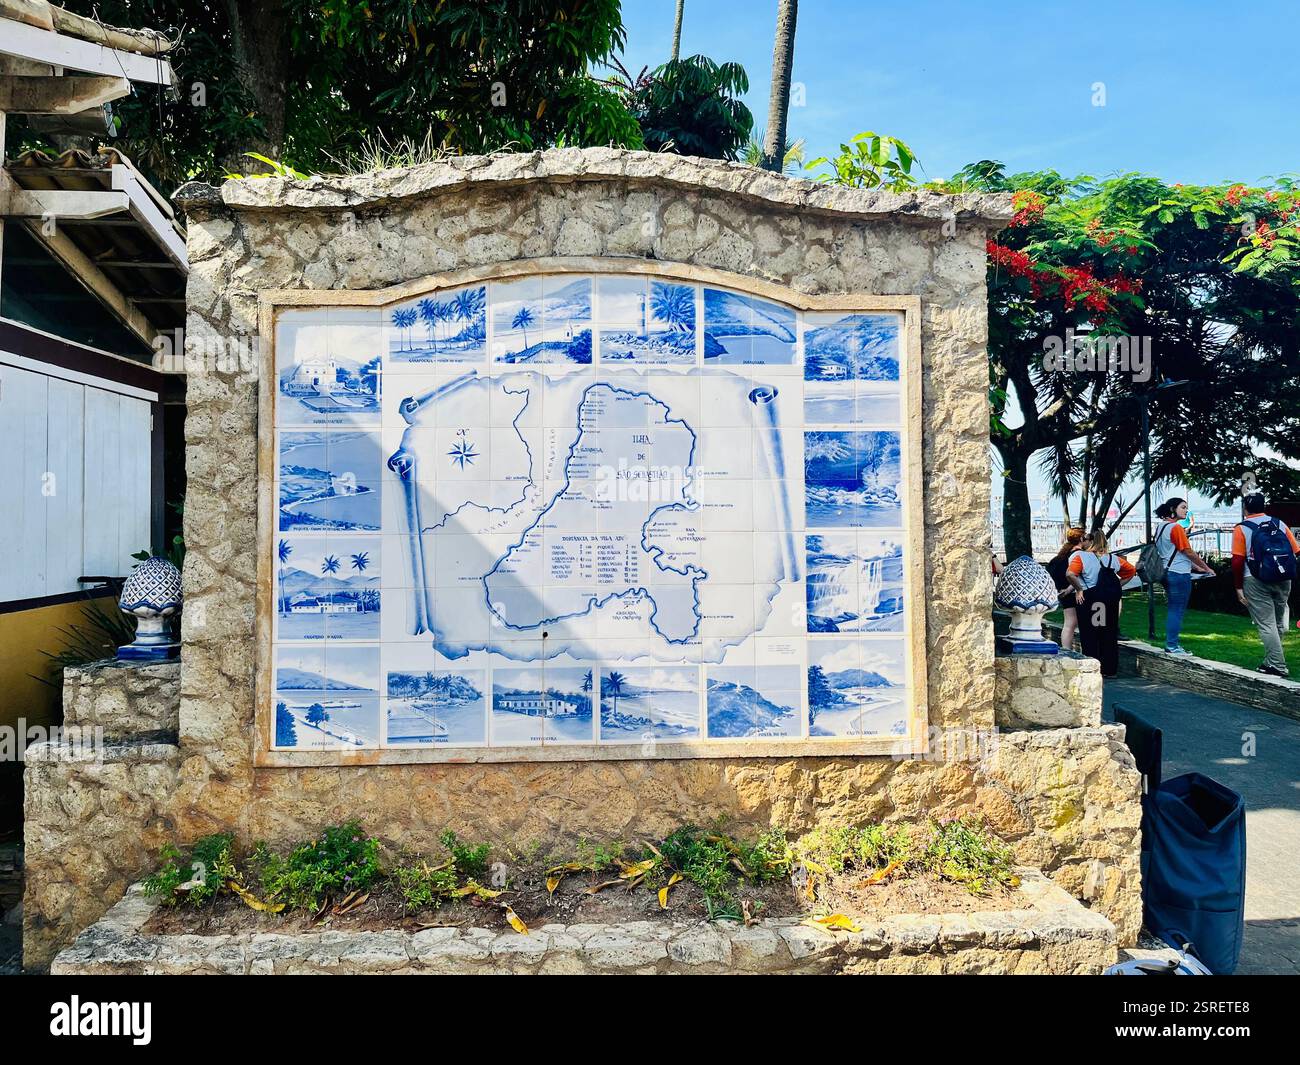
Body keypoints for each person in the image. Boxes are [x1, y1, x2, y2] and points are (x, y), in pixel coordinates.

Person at [1232, 493, 1299, 677]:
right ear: (1264, 506)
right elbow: (1296, 550)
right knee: (1277, 622)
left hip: (1255, 579)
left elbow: (1237, 561)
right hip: (1284, 578)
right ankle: (1270, 661)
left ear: (1245, 508)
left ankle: (1277, 665)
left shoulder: (1242, 528)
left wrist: (1238, 587)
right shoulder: (1279, 523)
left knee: (1266, 624)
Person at [1067, 531, 1136, 677]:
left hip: (1090, 600)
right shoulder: (1114, 559)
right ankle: (1109, 669)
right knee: (1108, 633)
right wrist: (1117, 585)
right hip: (1109, 600)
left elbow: (1070, 574)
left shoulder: (1081, 557)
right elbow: (1131, 571)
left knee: (1090, 633)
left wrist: (1079, 589)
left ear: (1090, 541)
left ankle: (1092, 667)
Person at [1152, 498, 1214, 656]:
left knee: (1174, 609)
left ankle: (1172, 644)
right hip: (1179, 574)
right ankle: (1172, 645)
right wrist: (1206, 567)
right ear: (1173, 509)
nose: (1186, 511)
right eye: (1183, 507)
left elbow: (1173, 552)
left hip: (1166, 572)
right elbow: (1187, 551)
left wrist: (1197, 568)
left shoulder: (1160, 527)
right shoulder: (1176, 528)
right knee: (1176, 610)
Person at [1046, 527, 1088, 651]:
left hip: (1063, 593)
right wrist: (1071, 588)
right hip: (1075, 592)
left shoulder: (1060, 557)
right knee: (1081, 624)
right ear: (1081, 539)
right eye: (1085, 538)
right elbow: (1078, 575)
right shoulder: (1079, 556)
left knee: (1069, 624)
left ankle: (1066, 650)